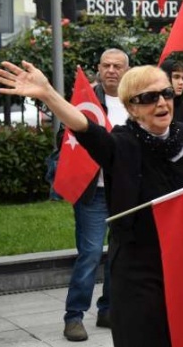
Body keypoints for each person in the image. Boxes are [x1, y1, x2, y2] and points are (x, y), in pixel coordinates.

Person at [0, 61, 183, 347]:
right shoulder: (122, 143)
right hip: (139, 268)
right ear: (132, 107)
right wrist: (47, 94)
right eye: (149, 98)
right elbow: (85, 128)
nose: (162, 102)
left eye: (165, 93)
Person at [55, 48, 129, 341]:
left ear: (126, 70)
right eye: (106, 65)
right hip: (93, 193)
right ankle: (73, 316)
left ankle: (108, 309)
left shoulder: (134, 100)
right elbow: (69, 136)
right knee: (89, 255)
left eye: (117, 66)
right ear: (98, 69)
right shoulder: (86, 101)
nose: (111, 70)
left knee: (118, 254)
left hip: (123, 192)